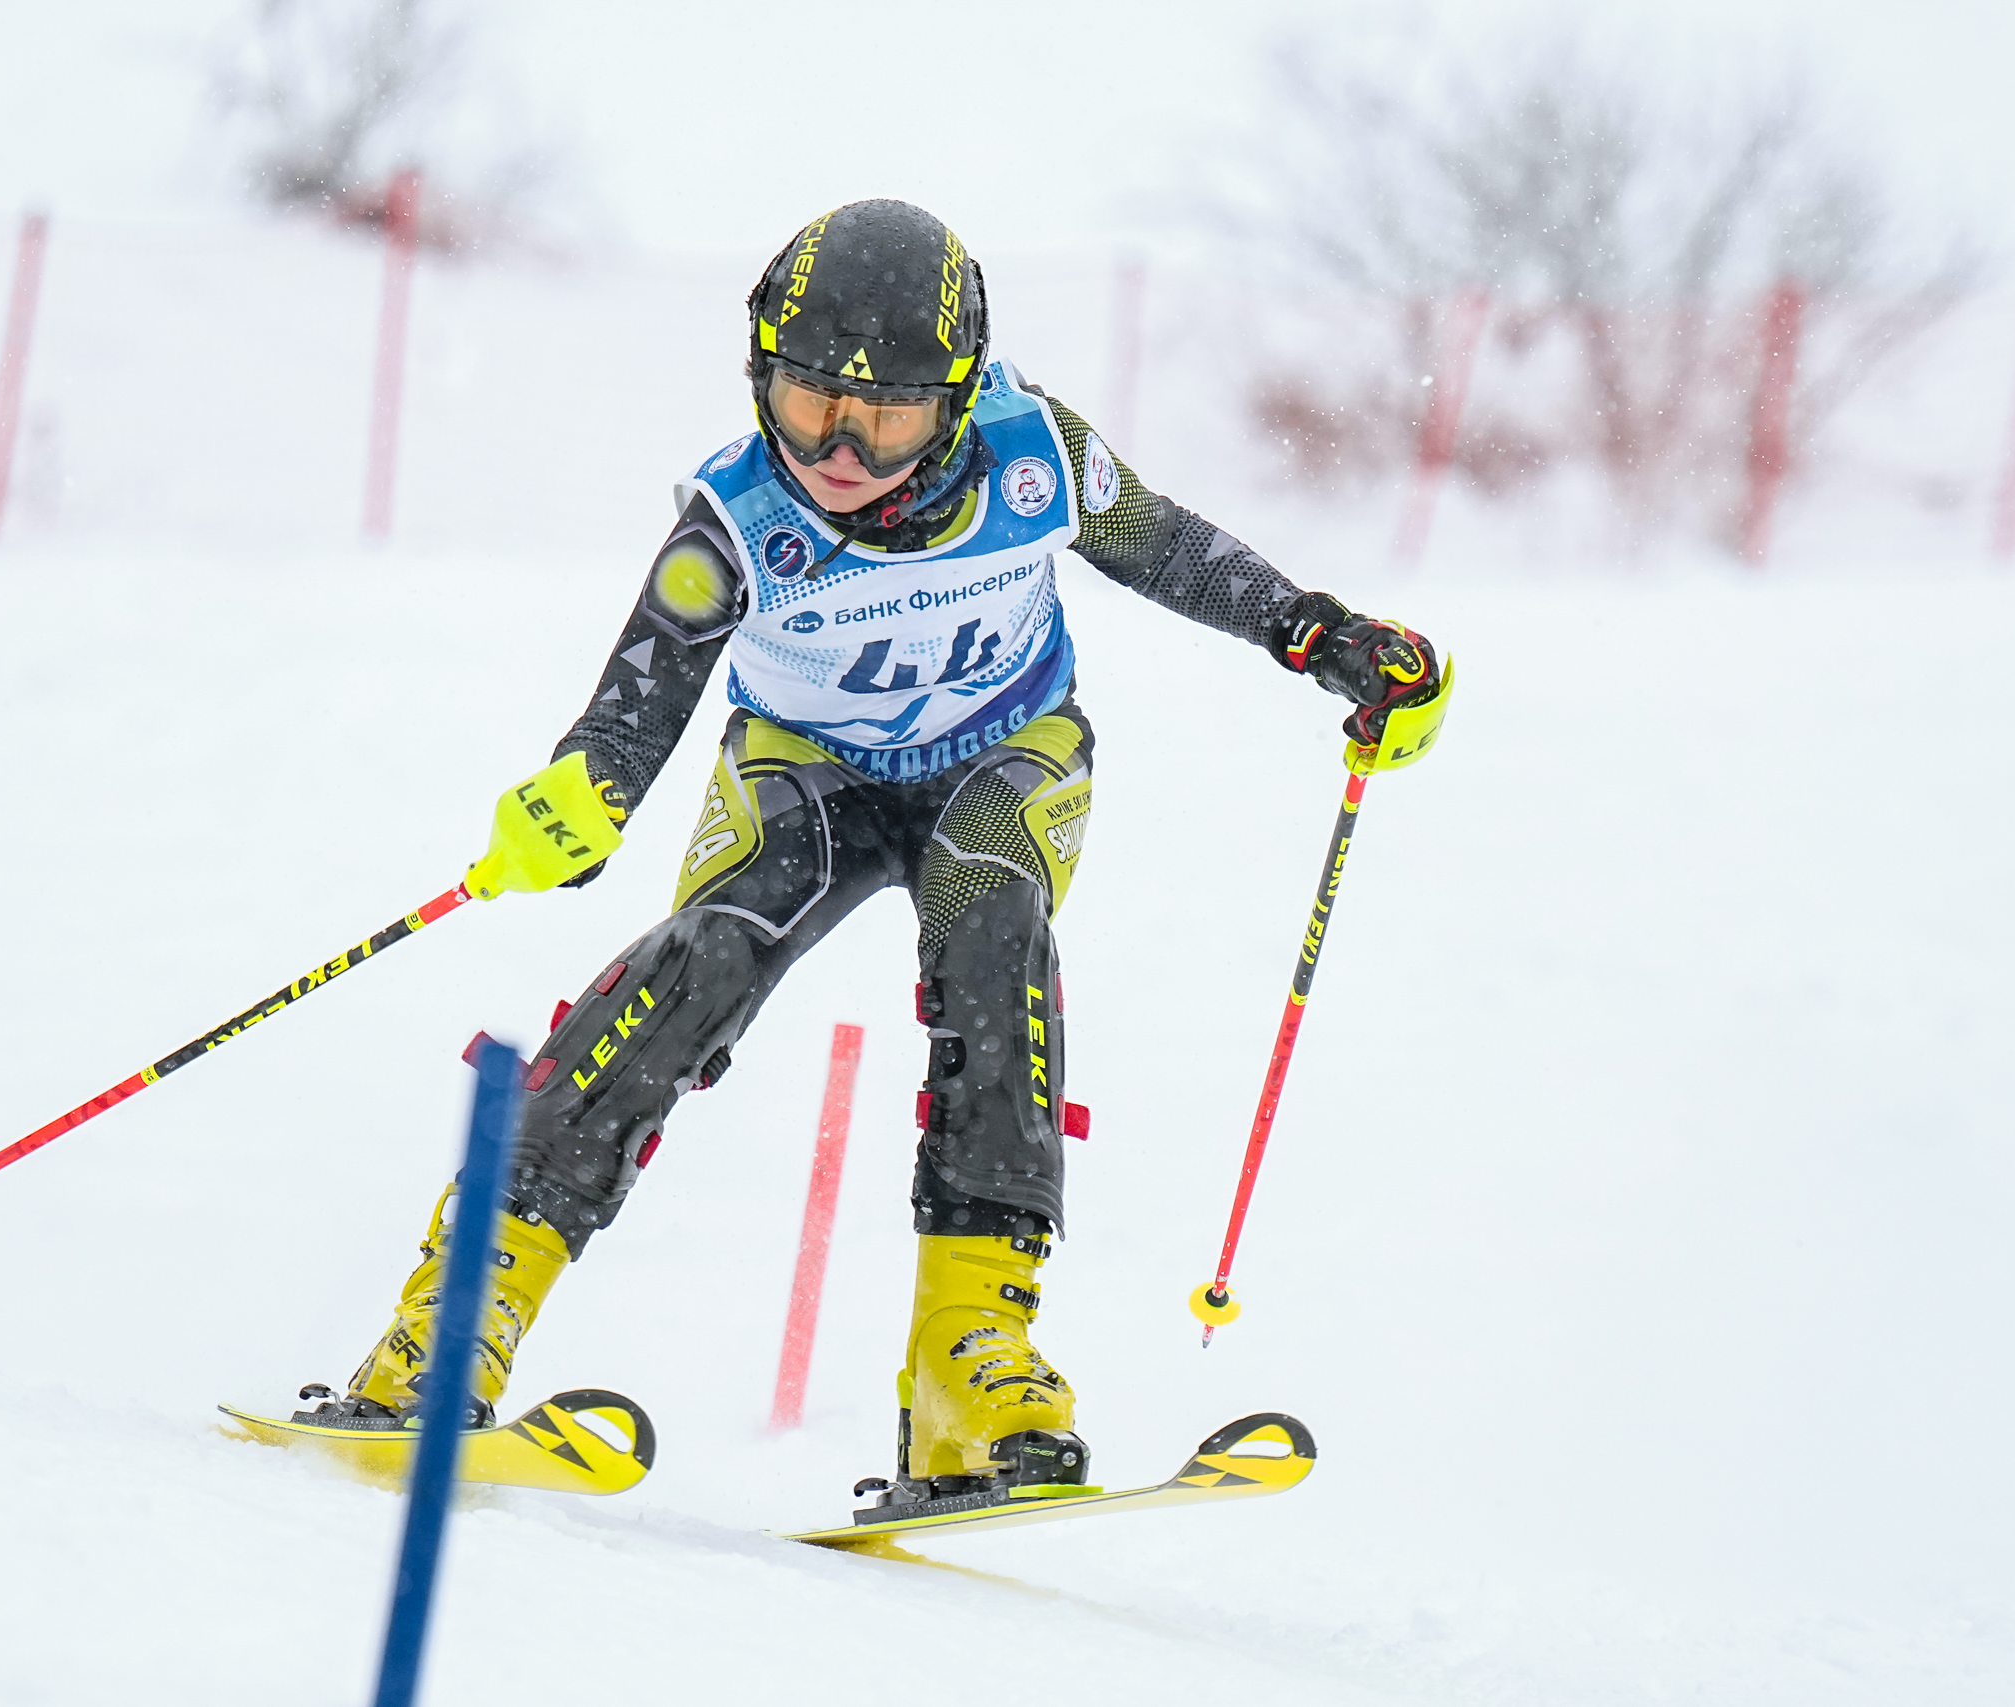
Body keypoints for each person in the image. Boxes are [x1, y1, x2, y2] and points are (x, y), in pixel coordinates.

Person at [295, 200, 1449, 1507]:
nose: (838, 446)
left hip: (1001, 752)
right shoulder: (733, 518)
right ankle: (451, 1323)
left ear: (955, 401)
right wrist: (583, 796)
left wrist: (1319, 635)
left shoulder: (1036, 455)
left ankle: (972, 1368)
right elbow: (639, 697)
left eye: (887, 414)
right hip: (808, 772)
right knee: (696, 964)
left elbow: (1170, 546)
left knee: (991, 926)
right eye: (805, 397)